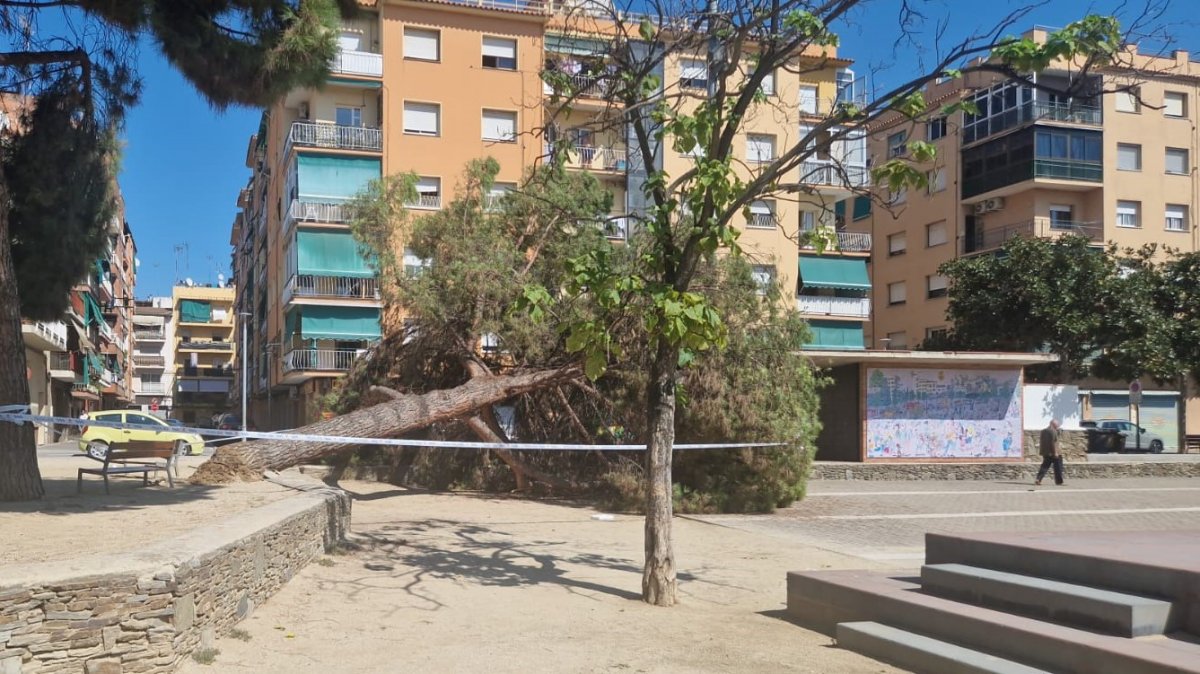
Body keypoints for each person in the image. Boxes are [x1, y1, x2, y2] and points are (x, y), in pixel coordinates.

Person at [1035, 419, 1065, 486]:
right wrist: (1055, 452)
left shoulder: (1043, 431)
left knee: (1044, 466)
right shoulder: (1053, 431)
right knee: (1058, 467)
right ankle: (1059, 481)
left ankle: (1038, 479)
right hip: (1054, 452)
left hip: (1046, 452)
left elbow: (1043, 441)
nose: (1058, 426)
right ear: (1053, 424)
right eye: (1057, 425)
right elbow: (1053, 442)